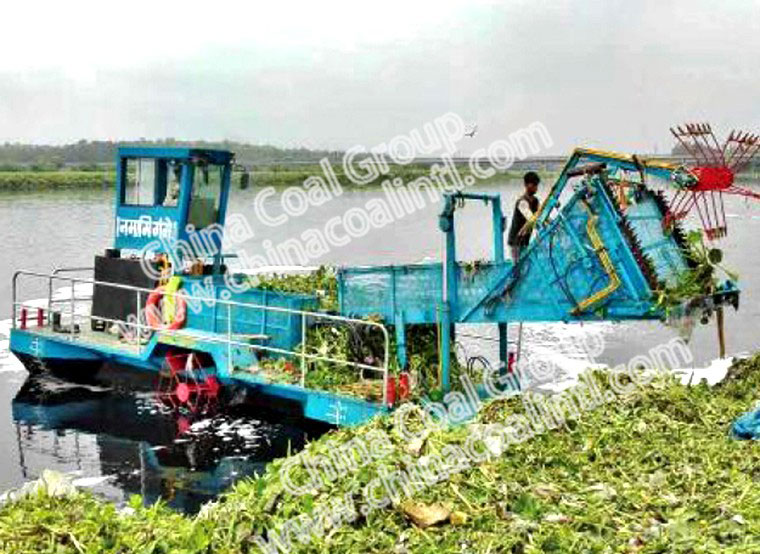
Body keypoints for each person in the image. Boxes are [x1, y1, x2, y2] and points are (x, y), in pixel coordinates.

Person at [507, 171, 541, 262]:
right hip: (516, 241)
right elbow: (531, 218)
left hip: (525, 240)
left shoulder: (535, 201)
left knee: (526, 265)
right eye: (533, 185)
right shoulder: (521, 202)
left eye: (536, 185)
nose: (535, 188)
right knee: (518, 266)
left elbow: (541, 215)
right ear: (526, 185)